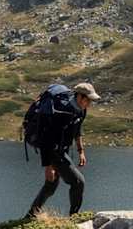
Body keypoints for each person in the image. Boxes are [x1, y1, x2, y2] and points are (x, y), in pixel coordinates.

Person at [27, 82, 100, 217]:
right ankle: (74, 218)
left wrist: (81, 151)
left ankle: (30, 216)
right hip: (53, 150)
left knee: (51, 185)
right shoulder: (61, 112)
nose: (89, 103)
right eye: (88, 100)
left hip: (61, 148)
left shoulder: (81, 109)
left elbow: (77, 129)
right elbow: (46, 139)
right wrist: (48, 166)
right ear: (79, 97)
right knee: (78, 182)